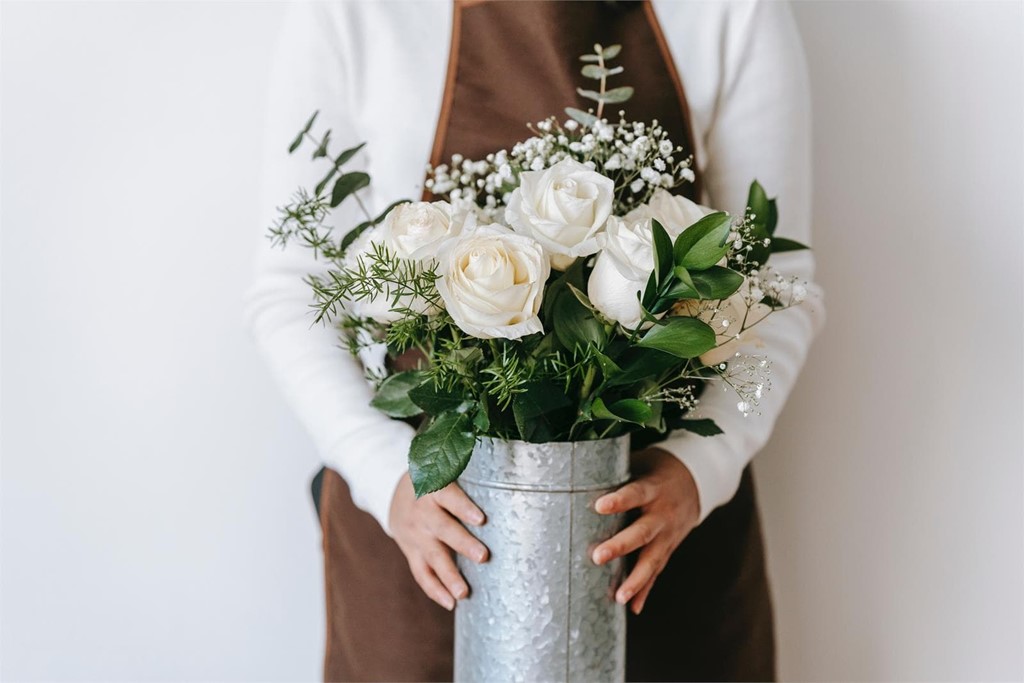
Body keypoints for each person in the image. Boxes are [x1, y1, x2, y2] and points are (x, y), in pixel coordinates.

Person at [246, 1, 825, 680]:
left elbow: (777, 289)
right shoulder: (352, 13)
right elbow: (293, 291)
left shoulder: (731, 11)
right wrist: (386, 475)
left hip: (658, 536)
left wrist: (701, 467)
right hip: (424, 541)